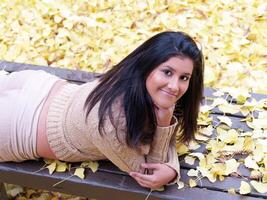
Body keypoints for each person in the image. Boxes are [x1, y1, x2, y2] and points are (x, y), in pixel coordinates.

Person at [0, 31, 204, 189]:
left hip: (38, 87)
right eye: (167, 72)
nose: (174, 86)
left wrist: (164, 123)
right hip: (17, 127)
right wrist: (170, 164)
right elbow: (149, 171)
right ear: (146, 66)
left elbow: (164, 144)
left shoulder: (132, 82)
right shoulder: (111, 122)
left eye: (183, 77)